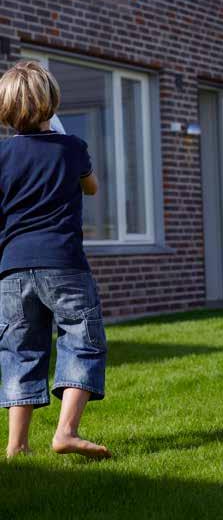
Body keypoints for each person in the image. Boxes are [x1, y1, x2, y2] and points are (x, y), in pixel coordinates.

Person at [0, 60, 110, 459]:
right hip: (63, 262)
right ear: (52, 104)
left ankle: (16, 445)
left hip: (11, 267)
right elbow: (92, 188)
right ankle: (65, 431)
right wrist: (64, 141)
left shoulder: (2, 155)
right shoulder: (72, 148)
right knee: (82, 341)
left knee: (20, 351)